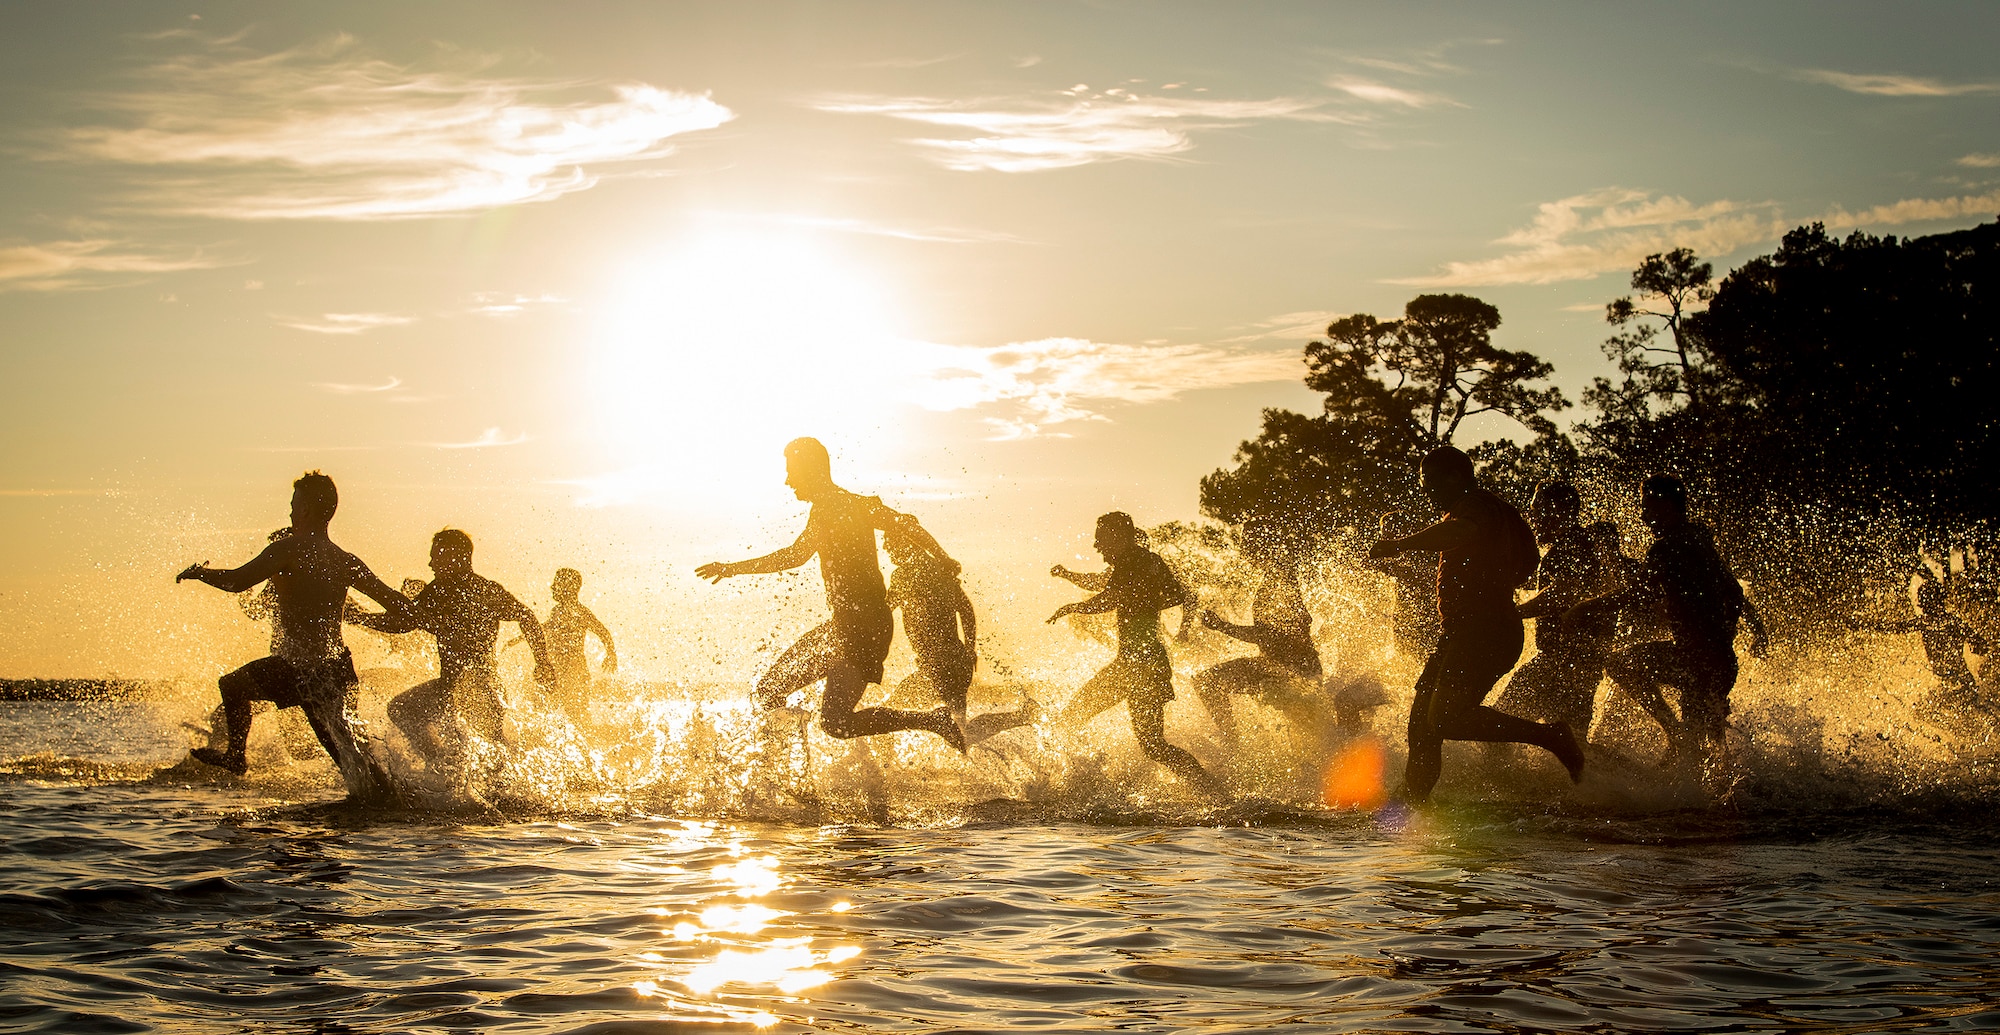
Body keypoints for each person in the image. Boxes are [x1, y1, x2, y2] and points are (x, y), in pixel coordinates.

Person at [696, 438, 965, 751]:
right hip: (845, 626)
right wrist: (731, 569)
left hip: (864, 631)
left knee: (828, 718)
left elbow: (903, 524)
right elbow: (796, 555)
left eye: (792, 472)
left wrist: (942, 558)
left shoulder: (847, 505)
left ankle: (931, 721)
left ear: (811, 470)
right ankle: (784, 768)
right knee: (782, 696)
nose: (787, 481)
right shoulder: (830, 509)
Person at [174, 471, 415, 801]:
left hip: (297, 669)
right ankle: (394, 798)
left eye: (293, 504)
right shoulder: (345, 560)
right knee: (349, 757)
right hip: (335, 671)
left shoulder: (287, 548)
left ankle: (235, 756)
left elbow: (237, 581)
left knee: (232, 685)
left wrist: (200, 573)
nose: (289, 511)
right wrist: (426, 616)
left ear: (305, 510)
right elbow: (401, 610)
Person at [1368, 447, 1585, 803]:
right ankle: (1408, 802)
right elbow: (1529, 560)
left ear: (1455, 477)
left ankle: (1551, 737)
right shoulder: (1495, 511)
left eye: (1430, 482)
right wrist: (1496, 581)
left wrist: (1400, 545)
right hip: (1465, 631)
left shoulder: (1477, 505)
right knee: (1422, 725)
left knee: (1446, 720)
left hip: (1485, 630)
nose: (1427, 491)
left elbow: (1460, 532)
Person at [1570, 473, 1765, 767]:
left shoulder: (1666, 547)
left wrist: (1583, 608)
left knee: (1620, 663)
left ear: (1666, 506)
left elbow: (1635, 595)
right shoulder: (1699, 539)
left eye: (1647, 508)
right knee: (1706, 743)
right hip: (1721, 661)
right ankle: (1732, 792)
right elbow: (1734, 590)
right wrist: (1740, 632)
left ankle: (1675, 736)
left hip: (1694, 660)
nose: (1643, 516)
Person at [1048, 511, 1227, 799]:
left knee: (1071, 718)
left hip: (1137, 665)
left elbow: (1109, 598)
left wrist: (1074, 608)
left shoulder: (1133, 561)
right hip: (1146, 661)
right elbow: (1173, 594)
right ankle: (1214, 791)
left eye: (1101, 538)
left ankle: (1076, 790)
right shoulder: (1145, 561)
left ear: (1118, 537)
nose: (1097, 546)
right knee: (1153, 744)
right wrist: (1071, 577)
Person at [350, 529, 555, 769]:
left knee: (493, 754)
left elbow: (526, 616)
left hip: (478, 686)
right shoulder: (455, 589)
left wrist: (543, 661)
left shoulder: (464, 590)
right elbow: (404, 622)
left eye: (436, 556)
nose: (430, 563)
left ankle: (458, 772)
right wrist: (360, 617)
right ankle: (444, 765)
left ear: (456, 556)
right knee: (403, 710)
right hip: (461, 686)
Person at [878, 522, 1037, 744]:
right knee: (960, 732)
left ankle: (882, 774)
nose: (886, 548)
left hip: (941, 662)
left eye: (890, 541)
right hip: (954, 660)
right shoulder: (936, 569)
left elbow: (884, 611)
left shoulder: (906, 574)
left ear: (906, 542)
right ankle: (1022, 716)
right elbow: (966, 609)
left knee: (890, 712)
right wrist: (970, 649)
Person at [1191, 520, 1325, 749]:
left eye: (1248, 542)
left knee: (1208, 682)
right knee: (1305, 740)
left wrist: (1222, 626)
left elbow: (1268, 635)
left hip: (1289, 669)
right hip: (1284, 667)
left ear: (1263, 543)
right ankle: (1238, 748)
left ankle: (1234, 748)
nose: (1244, 549)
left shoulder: (1280, 579)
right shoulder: (1279, 575)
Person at [1493, 480, 1608, 739]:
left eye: (1538, 509)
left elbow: (1562, 594)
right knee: (1572, 747)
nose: (1532, 517)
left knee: (1496, 733)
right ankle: (1637, 780)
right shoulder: (1577, 544)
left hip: (1559, 665)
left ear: (1558, 512)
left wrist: (1511, 613)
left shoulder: (1571, 546)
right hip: (1579, 663)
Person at [542, 567, 618, 726]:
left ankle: (589, 744)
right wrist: (522, 637)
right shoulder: (557, 610)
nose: (552, 587)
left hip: (574, 671)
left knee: (577, 715)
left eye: (556, 583)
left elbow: (602, 631)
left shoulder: (579, 612)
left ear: (567, 588)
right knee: (558, 714)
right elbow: (547, 627)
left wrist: (611, 653)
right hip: (559, 671)